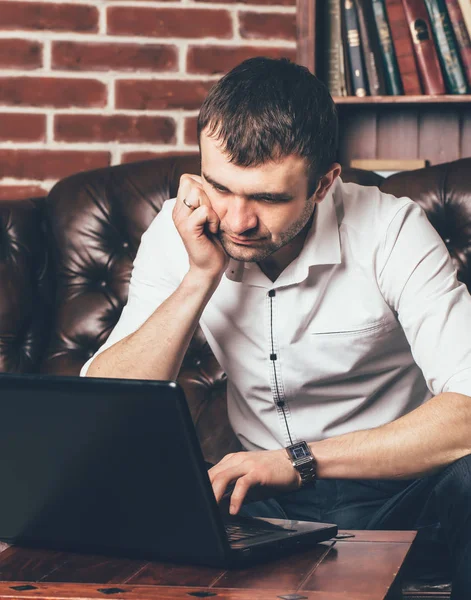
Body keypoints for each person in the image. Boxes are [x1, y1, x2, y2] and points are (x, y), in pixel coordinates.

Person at [81, 57, 471, 597]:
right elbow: (102, 407)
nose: (237, 221)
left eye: (267, 198)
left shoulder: (391, 228)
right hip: (259, 501)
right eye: (221, 188)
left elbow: (469, 410)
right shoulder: (183, 230)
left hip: (398, 493)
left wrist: (299, 461)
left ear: (323, 184)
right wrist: (199, 277)